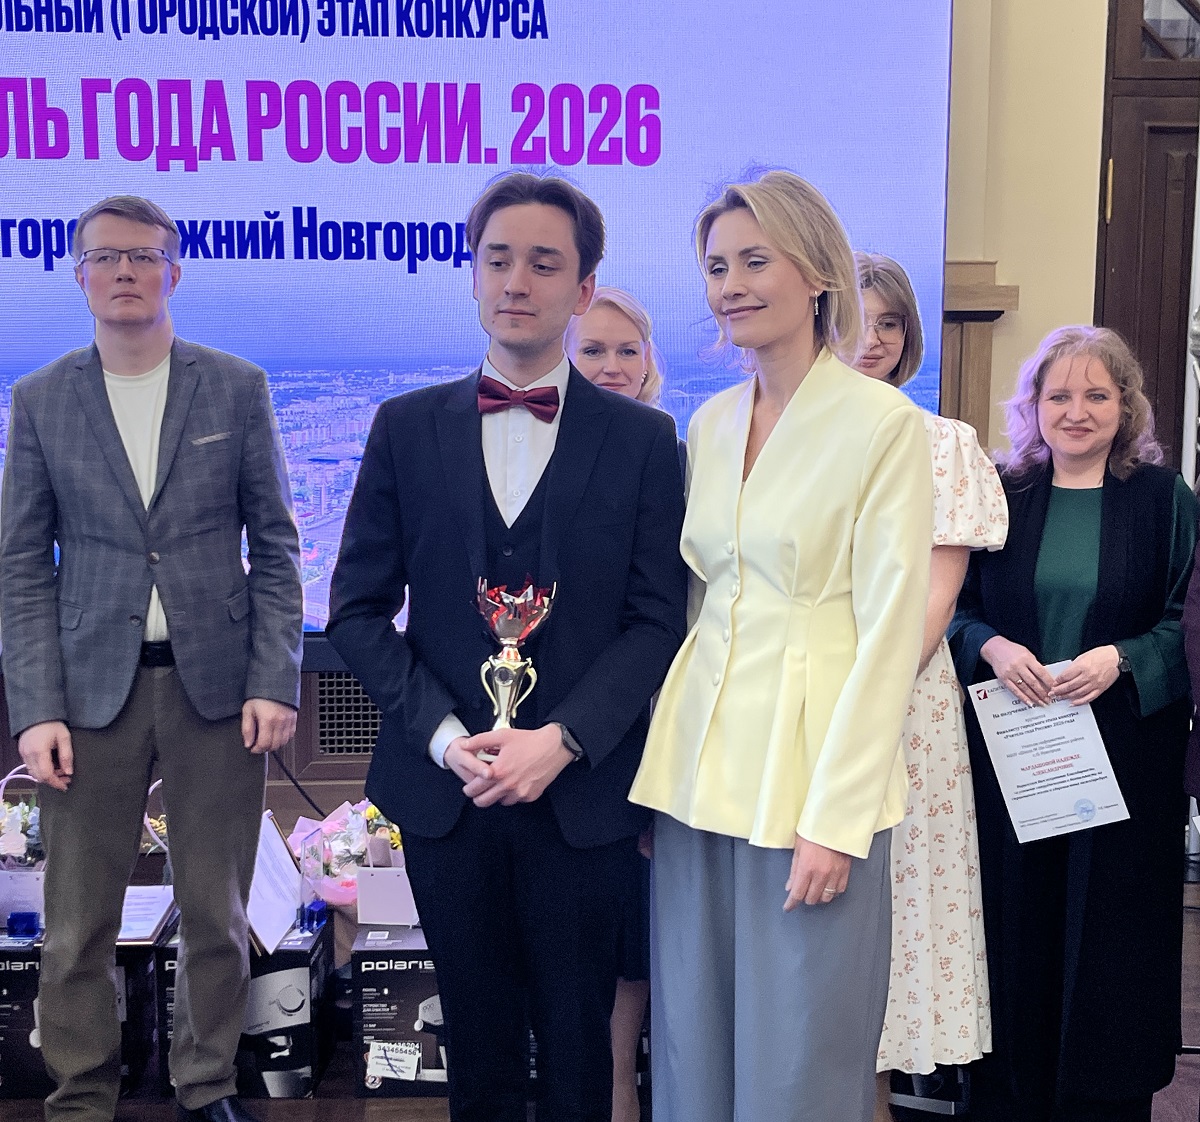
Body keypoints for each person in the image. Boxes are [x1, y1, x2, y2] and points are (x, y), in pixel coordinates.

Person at [326, 172, 688, 1122]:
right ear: (474, 274)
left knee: (580, 1052)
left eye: (544, 263)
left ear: (584, 285)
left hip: (582, 795)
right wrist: (447, 739)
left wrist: (562, 740)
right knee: (476, 1053)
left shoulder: (645, 440)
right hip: (446, 795)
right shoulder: (405, 427)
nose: (517, 281)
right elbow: (357, 611)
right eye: (498, 260)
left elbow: (658, 621)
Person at [628, 170, 933, 1122]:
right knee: (691, 1032)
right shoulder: (710, 422)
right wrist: (657, 769)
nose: (731, 285)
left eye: (755, 261)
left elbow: (891, 631)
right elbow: (696, 603)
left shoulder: (884, 424)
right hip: (699, 766)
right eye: (718, 267)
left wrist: (838, 818)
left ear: (817, 273)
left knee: (800, 1046)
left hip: (811, 776)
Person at [0, 196, 303, 1122]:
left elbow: (277, 546)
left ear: (175, 271)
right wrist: (35, 708)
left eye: (142, 255)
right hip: (89, 693)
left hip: (217, 687)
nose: (124, 270)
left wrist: (274, 679)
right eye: (104, 257)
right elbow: (23, 564)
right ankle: (81, 1094)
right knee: (77, 922)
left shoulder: (236, 386)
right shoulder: (41, 397)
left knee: (216, 915)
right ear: (79, 276)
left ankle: (206, 1085)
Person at [948, 325, 1196, 1122]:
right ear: (1033, 405)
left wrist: (1122, 657)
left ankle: (1105, 1100)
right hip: (1013, 757)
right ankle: (1007, 1099)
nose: (1076, 411)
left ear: (1126, 406)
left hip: (1125, 762)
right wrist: (992, 646)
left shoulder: (1165, 500)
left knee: (1114, 942)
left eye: (1097, 394)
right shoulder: (1002, 491)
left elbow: (1187, 623)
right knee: (1014, 928)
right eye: (1058, 395)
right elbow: (951, 609)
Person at [853, 253, 1007, 1092]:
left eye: (890, 323)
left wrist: (857, 707)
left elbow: (934, 605)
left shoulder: (943, 444)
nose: (873, 339)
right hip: (794, 698)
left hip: (903, 707)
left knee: (898, 898)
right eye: (857, 320)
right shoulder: (770, 434)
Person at [567, 284, 664, 1122]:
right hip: (577, 729)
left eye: (626, 350)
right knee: (595, 931)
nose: (611, 365)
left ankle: (634, 1086)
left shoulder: (677, 450)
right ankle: (603, 1089)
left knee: (646, 928)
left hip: (668, 718)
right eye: (592, 350)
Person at [566, 285, 664, 406]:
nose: (612, 368)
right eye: (593, 352)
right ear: (563, 356)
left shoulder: (661, 419)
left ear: (646, 358)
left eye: (627, 352)